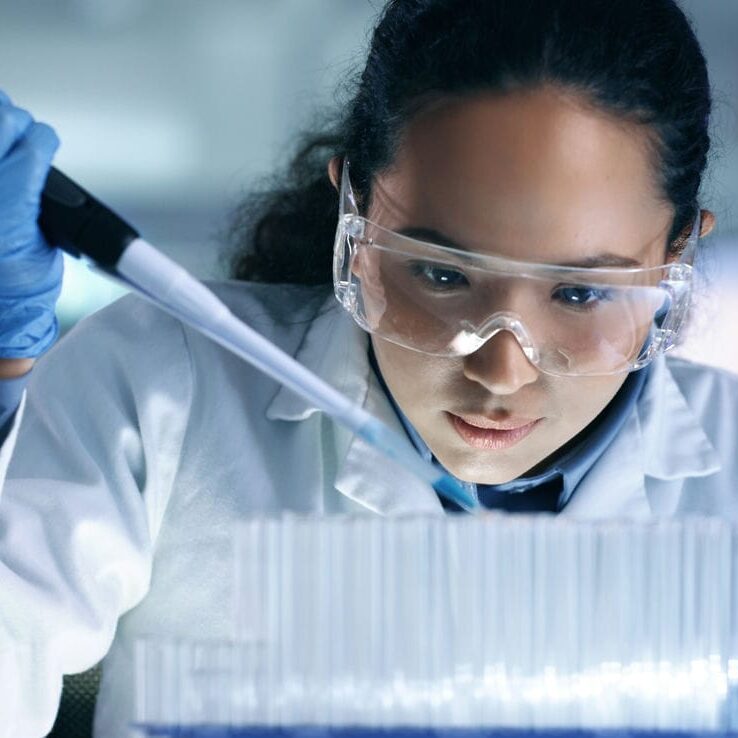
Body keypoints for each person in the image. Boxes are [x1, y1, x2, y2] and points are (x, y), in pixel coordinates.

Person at [1, 0, 737, 734]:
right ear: (357, 208)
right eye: (442, 277)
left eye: (580, 293)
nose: (502, 370)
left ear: (677, 255)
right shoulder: (165, 384)